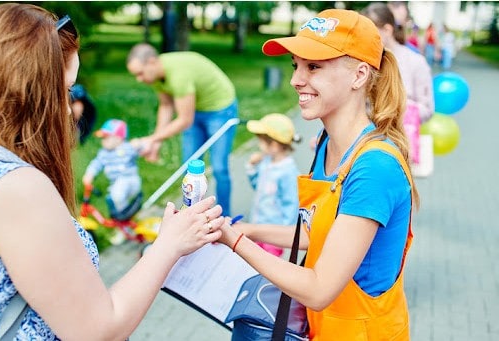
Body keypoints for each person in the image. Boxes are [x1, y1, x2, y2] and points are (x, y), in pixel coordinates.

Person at [0, 3, 223, 340]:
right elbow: (99, 331)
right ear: (31, 91)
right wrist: (169, 244)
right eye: (67, 90)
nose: (71, 109)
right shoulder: (17, 189)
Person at [217, 8, 420, 340]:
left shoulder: (374, 167)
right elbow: (322, 234)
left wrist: (235, 241)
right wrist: (249, 229)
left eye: (314, 67)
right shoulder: (327, 144)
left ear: (359, 75)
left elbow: (319, 289)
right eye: (295, 66)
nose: (297, 79)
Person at [126, 44, 238, 216]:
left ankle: (226, 218)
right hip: (196, 109)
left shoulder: (178, 76)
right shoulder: (156, 76)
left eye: (140, 73)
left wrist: (150, 140)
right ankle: (193, 215)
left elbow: (185, 120)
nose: (138, 79)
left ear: (151, 62)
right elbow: (166, 105)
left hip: (220, 109)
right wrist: (156, 142)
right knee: (190, 167)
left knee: (219, 167)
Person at [362, 3, 434, 166]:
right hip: (362, 146)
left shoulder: (416, 62)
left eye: (369, 33)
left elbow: (427, 109)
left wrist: (394, 107)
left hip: (399, 149)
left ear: (387, 30)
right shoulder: (362, 62)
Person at [245, 113, 301, 257]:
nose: (259, 144)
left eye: (261, 141)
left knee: (267, 265)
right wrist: (251, 168)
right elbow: (258, 186)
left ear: (274, 145)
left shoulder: (288, 172)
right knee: (253, 261)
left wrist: (285, 233)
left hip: (274, 234)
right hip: (258, 225)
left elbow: (292, 203)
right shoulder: (266, 162)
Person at [82, 119, 142, 221]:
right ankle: (125, 221)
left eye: (106, 138)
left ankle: (125, 214)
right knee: (112, 200)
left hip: (130, 180)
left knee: (116, 195)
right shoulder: (103, 153)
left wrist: (139, 144)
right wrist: (90, 174)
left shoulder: (126, 147)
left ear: (119, 139)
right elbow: (96, 164)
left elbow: (140, 149)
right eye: (102, 138)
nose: (103, 141)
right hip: (118, 183)